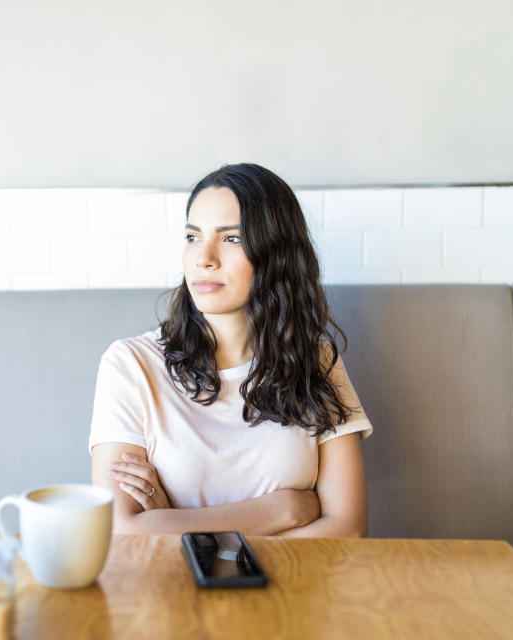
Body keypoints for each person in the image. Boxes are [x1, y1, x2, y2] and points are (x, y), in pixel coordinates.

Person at [89, 163, 372, 537]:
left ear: (276, 254)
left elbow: (348, 528)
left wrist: (173, 522)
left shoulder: (315, 360)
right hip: (171, 592)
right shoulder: (130, 365)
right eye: (192, 237)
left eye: (231, 239)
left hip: (293, 593)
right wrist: (282, 509)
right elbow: (119, 530)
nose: (203, 258)